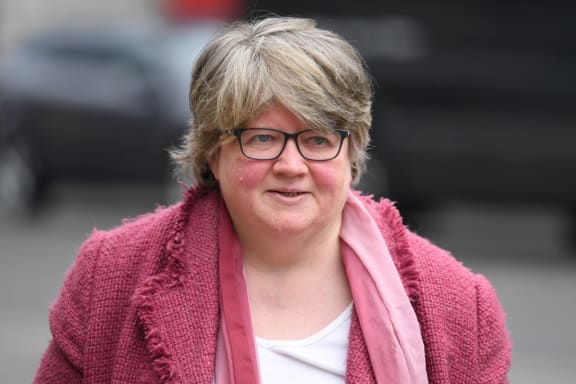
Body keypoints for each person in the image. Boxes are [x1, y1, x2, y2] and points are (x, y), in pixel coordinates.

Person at [34, 17, 511, 383]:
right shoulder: (111, 275)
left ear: (353, 150)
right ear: (212, 152)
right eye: (262, 139)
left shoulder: (457, 306)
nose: (291, 165)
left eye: (318, 139)